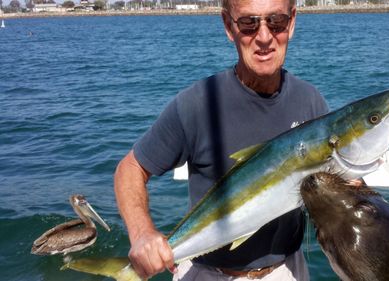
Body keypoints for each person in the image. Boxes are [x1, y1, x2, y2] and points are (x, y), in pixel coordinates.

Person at [114, 0, 329, 280]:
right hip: (207, 272)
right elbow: (129, 169)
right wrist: (142, 233)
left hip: (288, 270)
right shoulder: (196, 104)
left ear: (292, 22)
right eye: (249, 24)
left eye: (276, 21)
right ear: (229, 26)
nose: (264, 37)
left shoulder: (311, 102)